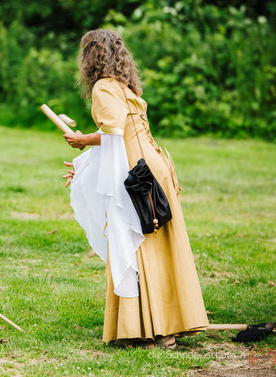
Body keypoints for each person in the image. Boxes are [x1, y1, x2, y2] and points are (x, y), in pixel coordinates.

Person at [62, 29, 209, 349]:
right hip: (154, 167)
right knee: (156, 248)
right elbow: (122, 138)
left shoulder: (103, 88)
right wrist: (86, 164)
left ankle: (153, 330)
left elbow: (114, 132)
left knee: (137, 245)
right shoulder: (123, 86)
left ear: (89, 57)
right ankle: (161, 326)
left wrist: (81, 140)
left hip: (139, 177)